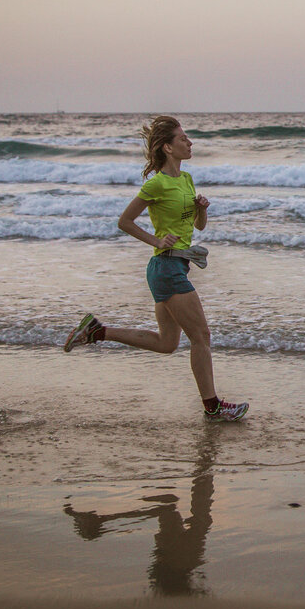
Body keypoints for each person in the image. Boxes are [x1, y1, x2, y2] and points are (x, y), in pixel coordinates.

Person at [63, 115, 247, 422]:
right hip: (166, 267)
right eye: (183, 139)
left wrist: (202, 210)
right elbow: (124, 221)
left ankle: (97, 331)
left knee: (167, 343)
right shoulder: (156, 184)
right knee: (201, 336)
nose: (190, 142)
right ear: (167, 148)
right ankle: (213, 407)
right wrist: (156, 240)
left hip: (175, 267)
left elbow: (197, 227)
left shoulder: (186, 179)